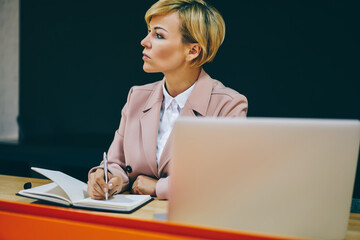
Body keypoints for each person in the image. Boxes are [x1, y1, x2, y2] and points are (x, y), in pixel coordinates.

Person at [87, 0, 248, 200]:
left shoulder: (228, 105)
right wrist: (109, 179)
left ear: (193, 51)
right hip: (134, 219)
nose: (144, 41)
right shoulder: (137, 96)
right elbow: (115, 163)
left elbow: (223, 181)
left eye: (159, 35)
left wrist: (158, 187)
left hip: (191, 223)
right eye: (148, 31)